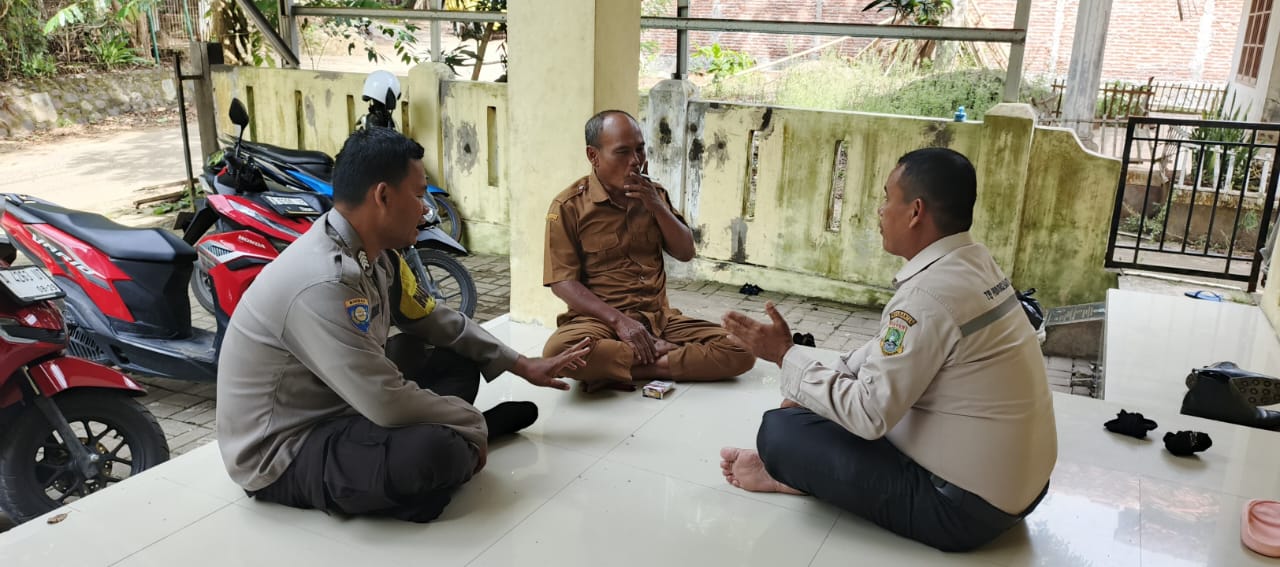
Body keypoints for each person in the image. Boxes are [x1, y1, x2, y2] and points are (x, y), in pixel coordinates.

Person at [216, 127, 590, 523]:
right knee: (433, 453)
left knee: (456, 361)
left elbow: (431, 317)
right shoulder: (323, 280)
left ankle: (444, 446)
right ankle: (454, 445)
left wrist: (521, 364)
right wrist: (472, 422)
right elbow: (384, 400)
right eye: (419, 195)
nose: (426, 210)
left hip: (348, 402)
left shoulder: (378, 256)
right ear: (383, 196)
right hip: (287, 447)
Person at [718, 148, 1057, 552]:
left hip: (964, 513)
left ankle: (792, 477)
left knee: (779, 433)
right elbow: (882, 353)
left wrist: (784, 355)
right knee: (818, 403)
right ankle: (806, 468)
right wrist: (808, 384)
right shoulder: (974, 263)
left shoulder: (928, 296)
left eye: (886, 199)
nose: (880, 211)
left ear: (915, 212)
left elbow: (869, 416)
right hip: (1023, 489)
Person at [541, 110, 755, 391]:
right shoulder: (569, 206)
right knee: (557, 352)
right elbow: (562, 281)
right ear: (593, 156)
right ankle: (659, 358)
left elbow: (685, 252)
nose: (635, 161)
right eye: (622, 152)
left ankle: (626, 368)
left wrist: (655, 205)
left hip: (659, 320)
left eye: (640, 149)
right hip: (601, 321)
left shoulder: (654, 195)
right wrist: (620, 322)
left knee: (741, 349)